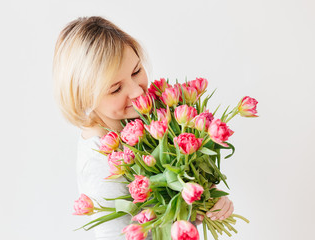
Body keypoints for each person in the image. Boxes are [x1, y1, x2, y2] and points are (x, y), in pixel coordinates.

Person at [52, 16, 234, 239]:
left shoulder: (143, 124)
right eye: (116, 88)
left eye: (136, 71)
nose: (138, 92)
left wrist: (204, 201)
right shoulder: (99, 159)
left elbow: (171, 204)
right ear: (85, 97)